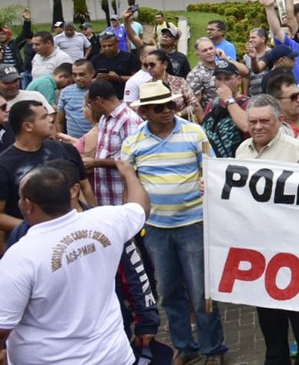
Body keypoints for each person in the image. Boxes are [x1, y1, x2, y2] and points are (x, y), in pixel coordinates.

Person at [0, 160, 151, 365]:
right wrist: (129, 174)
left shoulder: (21, 256)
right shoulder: (106, 220)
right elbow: (141, 207)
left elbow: (3, 325)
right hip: (113, 356)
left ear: (27, 204)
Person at [122, 81, 227, 365]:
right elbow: (130, 184)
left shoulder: (195, 133)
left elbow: (212, 169)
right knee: (169, 292)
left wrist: (207, 181)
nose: (167, 111)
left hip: (193, 223)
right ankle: (186, 347)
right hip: (155, 228)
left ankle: (213, 348)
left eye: (170, 104)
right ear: (145, 112)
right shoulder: (133, 143)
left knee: (201, 291)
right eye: (159, 108)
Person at [235, 95, 299, 365]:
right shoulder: (242, 151)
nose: (258, 126)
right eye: (253, 121)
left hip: (294, 249)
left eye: (264, 121)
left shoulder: (296, 150)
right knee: (270, 319)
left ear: (279, 121)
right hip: (260, 250)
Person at [0, 101, 92, 247]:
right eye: (43, 117)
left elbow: (82, 188)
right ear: (28, 126)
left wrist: (89, 218)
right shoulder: (4, 164)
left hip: (74, 237)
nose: (51, 119)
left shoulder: (64, 150)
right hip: (33, 244)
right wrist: (36, 227)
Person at [86, 79, 143, 207]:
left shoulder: (128, 120)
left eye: (89, 103)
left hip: (122, 196)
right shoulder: (104, 119)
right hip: (105, 194)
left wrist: (96, 163)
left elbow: (131, 162)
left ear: (99, 101)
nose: (90, 108)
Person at [200, 61, 250, 159]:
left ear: (238, 80)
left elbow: (246, 126)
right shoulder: (212, 104)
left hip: (239, 159)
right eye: (218, 79)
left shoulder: (247, 103)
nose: (222, 83)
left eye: (227, 79)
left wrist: (229, 100)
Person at [57, 60, 94, 138]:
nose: (78, 78)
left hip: (94, 142)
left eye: (82, 74)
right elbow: (59, 121)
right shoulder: (65, 92)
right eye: (74, 75)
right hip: (72, 143)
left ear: (92, 73)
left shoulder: (100, 90)